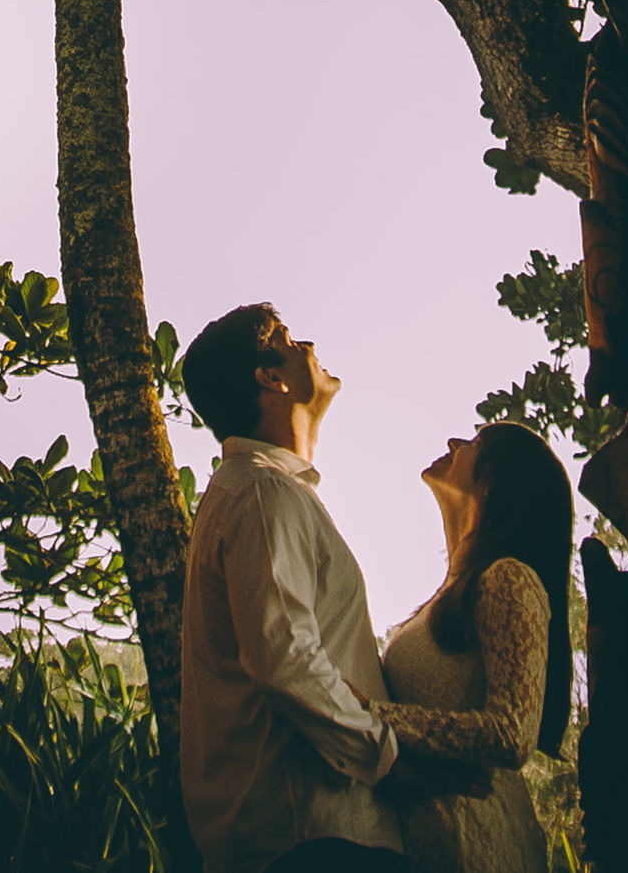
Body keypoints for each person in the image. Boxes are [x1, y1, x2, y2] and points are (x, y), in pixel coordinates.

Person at [180, 303, 439, 873]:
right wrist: (388, 758)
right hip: (316, 837)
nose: (309, 345)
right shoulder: (260, 494)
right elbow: (284, 656)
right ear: (270, 379)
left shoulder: (261, 493)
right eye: (289, 339)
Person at [376, 422, 574, 873]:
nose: (453, 443)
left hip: (477, 844)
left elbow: (512, 733)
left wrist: (370, 714)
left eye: (474, 442)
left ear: (495, 484)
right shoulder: (449, 599)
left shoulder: (507, 579)